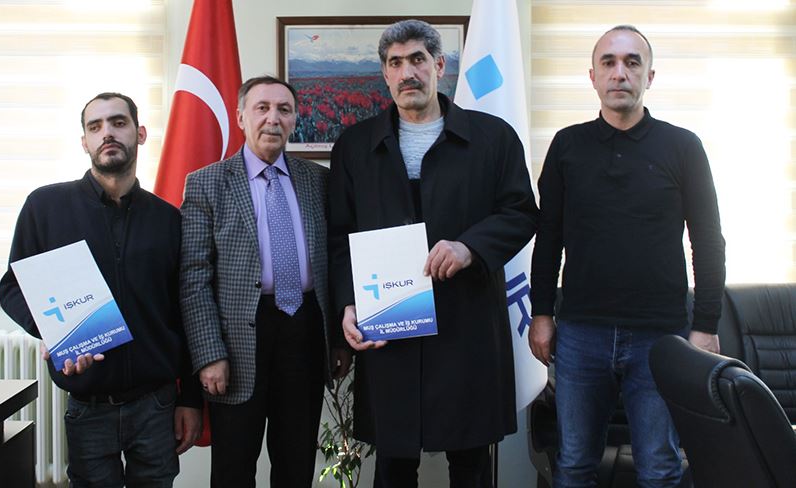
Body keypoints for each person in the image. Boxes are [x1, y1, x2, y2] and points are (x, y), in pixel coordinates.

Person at [328, 19, 538, 488]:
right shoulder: (354, 146)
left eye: (418, 59)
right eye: (396, 63)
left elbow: (522, 213)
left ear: (440, 66)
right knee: (393, 466)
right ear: (385, 73)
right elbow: (340, 235)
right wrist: (347, 302)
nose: (408, 72)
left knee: (471, 464)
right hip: (390, 326)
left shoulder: (493, 137)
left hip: (468, 324)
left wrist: (470, 247)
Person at [529, 25, 726, 488]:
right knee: (574, 465)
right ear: (593, 77)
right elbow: (548, 237)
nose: (620, 72)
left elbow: (707, 240)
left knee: (659, 468)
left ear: (649, 77)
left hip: (661, 336)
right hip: (581, 333)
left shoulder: (683, 147)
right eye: (609, 62)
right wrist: (541, 313)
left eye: (632, 62)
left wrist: (706, 324)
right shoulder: (567, 146)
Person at [0, 92, 202, 487]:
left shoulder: (168, 219)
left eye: (118, 123)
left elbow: (186, 311)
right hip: (88, 406)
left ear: (140, 134)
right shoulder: (45, 207)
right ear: (85, 142)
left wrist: (191, 399)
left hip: (157, 404)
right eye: (96, 126)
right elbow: (13, 287)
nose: (107, 132)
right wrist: (53, 331)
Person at [179, 76, 350, 488]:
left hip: (305, 332)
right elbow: (193, 277)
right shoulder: (206, 183)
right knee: (233, 470)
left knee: (296, 465)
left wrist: (338, 341)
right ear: (241, 117)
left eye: (284, 110)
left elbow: (335, 260)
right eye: (262, 108)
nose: (273, 118)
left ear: (294, 120)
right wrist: (208, 354)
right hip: (237, 342)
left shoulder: (318, 181)